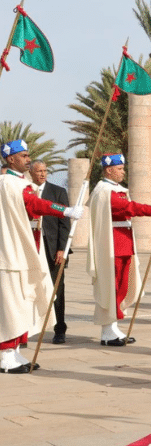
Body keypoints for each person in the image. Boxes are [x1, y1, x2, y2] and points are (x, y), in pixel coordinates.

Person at [0, 140, 82, 372]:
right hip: (12, 253)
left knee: (22, 303)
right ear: (11, 159)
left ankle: (14, 352)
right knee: (12, 305)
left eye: (28, 155)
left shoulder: (17, 182)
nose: (28, 159)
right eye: (24, 156)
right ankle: (6, 356)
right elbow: (34, 204)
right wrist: (63, 209)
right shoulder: (11, 184)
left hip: (21, 252)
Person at [87, 154, 151, 346]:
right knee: (112, 286)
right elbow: (127, 207)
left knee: (122, 286)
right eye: (120, 168)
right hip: (112, 245)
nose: (123, 171)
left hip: (123, 243)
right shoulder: (104, 191)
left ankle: (113, 325)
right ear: (109, 170)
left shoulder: (116, 189)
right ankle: (107, 329)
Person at [30, 160, 72, 344]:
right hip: (31, 247)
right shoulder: (25, 191)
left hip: (52, 248)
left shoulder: (58, 192)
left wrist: (62, 249)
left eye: (45, 171)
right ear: (30, 172)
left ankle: (59, 329)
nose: (42, 174)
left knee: (57, 288)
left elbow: (65, 223)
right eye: (38, 171)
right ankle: (27, 330)